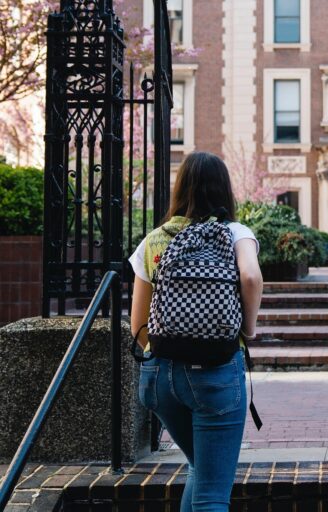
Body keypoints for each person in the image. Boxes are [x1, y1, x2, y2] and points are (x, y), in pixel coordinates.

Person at [129, 152, 263, 512]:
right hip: (216, 372)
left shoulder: (154, 240)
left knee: (199, 470)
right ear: (225, 190)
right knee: (212, 495)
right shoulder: (235, 233)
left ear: (180, 188)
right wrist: (246, 330)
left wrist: (168, 351)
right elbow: (250, 277)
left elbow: (137, 325)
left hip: (159, 377)